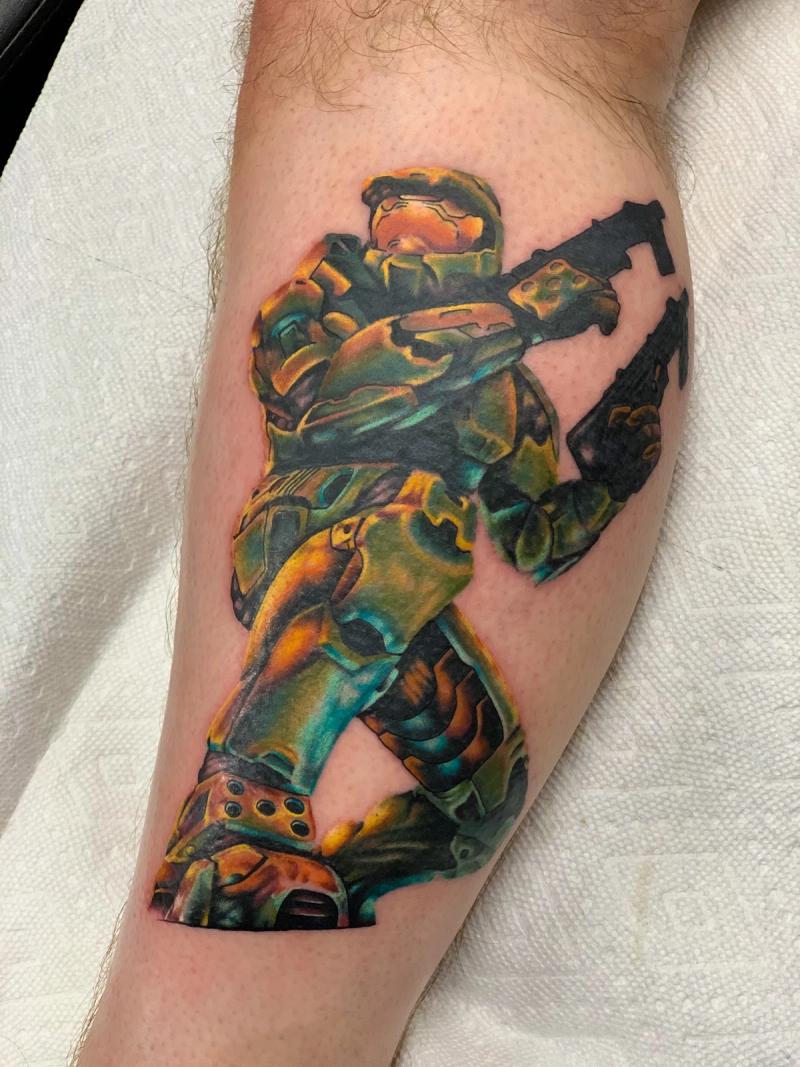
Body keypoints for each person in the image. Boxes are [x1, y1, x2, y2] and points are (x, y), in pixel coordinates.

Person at [77, 0, 697, 1062]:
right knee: (413, 530)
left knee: (479, 789)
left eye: (437, 222)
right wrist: (513, 315)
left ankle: (334, 879)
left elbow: (534, 542)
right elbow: (325, 401)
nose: (407, 233)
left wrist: (610, 472)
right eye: (395, 216)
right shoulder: (325, 298)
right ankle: (240, 819)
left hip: (404, 578)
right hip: (313, 536)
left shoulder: (508, 391)